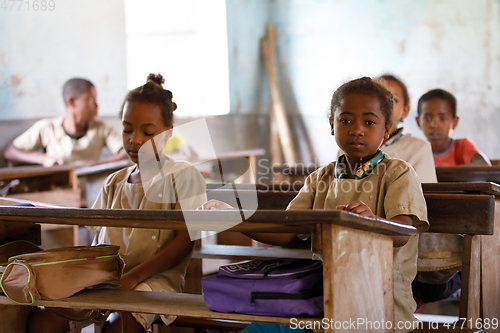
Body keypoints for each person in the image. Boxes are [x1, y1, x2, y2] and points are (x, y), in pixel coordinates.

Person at [200, 77, 429, 333]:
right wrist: (234, 217)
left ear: (387, 129)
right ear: (332, 125)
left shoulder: (397, 173)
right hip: (322, 302)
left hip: (381, 306)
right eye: (345, 120)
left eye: (369, 122)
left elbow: (402, 233)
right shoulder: (321, 179)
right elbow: (283, 231)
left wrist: (372, 222)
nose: (357, 129)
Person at [27, 74, 207, 333]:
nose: (134, 139)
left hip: (155, 280)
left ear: (167, 133)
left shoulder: (183, 175)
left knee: (118, 326)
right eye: (127, 129)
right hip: (107, 277)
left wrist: (132, 277)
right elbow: (99, 236)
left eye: (147, 132)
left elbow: (184, 241)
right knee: (43, 320)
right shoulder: (114, 182)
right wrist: (83, 274)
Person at [4, 78, 128, 167]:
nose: (96, 105)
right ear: (71, 102)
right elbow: (10, 152)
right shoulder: (47, 128)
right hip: (59, 195)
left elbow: (126, 153)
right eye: (90, 99)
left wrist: (95, 165)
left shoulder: (102, 128)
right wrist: (43, 159)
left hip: (92, 195)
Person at [416, 88, 491, 166]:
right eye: (428, 118)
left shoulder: (461, 147)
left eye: (443, 118)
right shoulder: (415, 151)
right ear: (418, 122)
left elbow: (484, 164)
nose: (434, 125)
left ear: (454, 122)